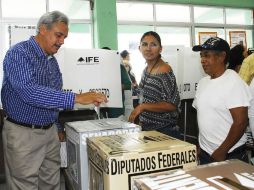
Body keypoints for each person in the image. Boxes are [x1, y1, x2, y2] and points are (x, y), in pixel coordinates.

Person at [1, 11, 107, 190]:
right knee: (24, 185)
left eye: (65, 37)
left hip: (49, 132)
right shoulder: (19, 53)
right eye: (59, 35)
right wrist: (76, 98)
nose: (62, 41)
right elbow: (29, 92)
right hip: (23, 133)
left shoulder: (51, 61)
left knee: (52, 183)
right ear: (42, 29)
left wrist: (57, 126)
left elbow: (52, 95)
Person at [192, 37, 251, 165]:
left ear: (222, 57)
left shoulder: (234, 82)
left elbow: (241, 122)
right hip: (206, 153)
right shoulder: (203, 83)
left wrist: (222, 151)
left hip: (229, 154)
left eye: (207, 55)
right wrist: (199, 145)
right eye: (201, 56)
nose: (202, 60)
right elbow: (202, 118)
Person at [128, 31, 181, 138]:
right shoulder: (146, 70)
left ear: (160, 49)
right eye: (144, 44)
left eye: (153, 44)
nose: (148, 48)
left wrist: (142, 107)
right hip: (148, 129)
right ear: (139, 48)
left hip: (164, 131)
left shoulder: (164, 70)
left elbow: (172, 104)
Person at [102, 47, 132, 118]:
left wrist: (114, 87)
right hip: (100, 106)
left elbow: (128, 85)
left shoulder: (119, 67)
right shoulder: (96, 68)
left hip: (116, 108)